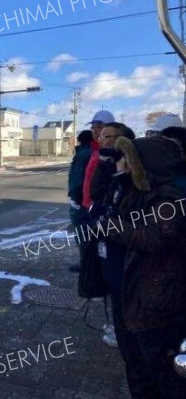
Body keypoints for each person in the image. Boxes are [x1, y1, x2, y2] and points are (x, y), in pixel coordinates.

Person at [105, 135, 186, 398]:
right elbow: (109, 205)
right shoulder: (136, 191)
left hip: (155, 301)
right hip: (132, 293)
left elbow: (153, 237)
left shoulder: (168, 199)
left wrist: (113, 228)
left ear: (147, 164)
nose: (125, 164)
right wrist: (118, 179)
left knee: (160, 372)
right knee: (136, 364)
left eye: (130, 159)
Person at [87, 122, 135, 349]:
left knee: (121, 285)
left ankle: (124, 331)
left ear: (122, 139)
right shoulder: (104, 160)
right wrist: (104, 168)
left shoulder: (132, 165)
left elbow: (123, 201)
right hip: (106, 231)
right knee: (110, 280)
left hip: (122, 238)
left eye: (108, 136)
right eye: (101, 135)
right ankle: (118, 327)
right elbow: (97, 193)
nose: (102, 139)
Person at [67, 130, 93, 272]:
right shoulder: (92, 152)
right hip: (89, 199)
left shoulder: (83, 154)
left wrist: (75, 197)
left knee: (82, 232)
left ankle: (86, 263)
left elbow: (78, 177)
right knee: (89, 231)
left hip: (82, 200)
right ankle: (91, 262)